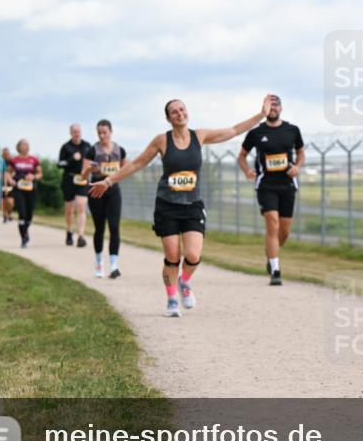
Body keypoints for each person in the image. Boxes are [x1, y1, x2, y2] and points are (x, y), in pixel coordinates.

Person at [90, 95, 271, 317]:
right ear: (168, 118)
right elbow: (137, 163)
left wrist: (261, 115)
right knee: (173, 256)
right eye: (174, 112)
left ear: (187, 112)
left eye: (182, 109)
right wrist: (108, 181)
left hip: (192, 204)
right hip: (167, 205)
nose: (180, 113)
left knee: (193, 255)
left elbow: (233, 130)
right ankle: (172, 298)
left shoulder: (200, 136)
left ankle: (184, 282)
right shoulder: (161, 141)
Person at [238, 94, 305, 286]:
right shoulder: (256, 133)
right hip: (266, 185)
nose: (273, 108)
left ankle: (271, 254)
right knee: (272, 224)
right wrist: (247, 171)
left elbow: (301, 152)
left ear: (281, 108)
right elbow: (241, 156)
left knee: (284, 230)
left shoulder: (292, 130)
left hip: (287, 185)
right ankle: (275, 270)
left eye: (276, 105)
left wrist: (297, 167)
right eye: (269, 105)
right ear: (264, 109)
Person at [81, 120, 127, 278]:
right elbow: (82, 176)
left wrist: (114, 175)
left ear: (111, 131)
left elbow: (124, 171)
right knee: (99, 228)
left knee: (114, 226)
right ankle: (99, 262)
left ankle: (114, 265)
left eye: (104, 132)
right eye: (99, 133)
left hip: (113, 190)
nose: (102, 136)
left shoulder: (120, 150)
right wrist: (89, 169)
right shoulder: (92, 151)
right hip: (96, 191)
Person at [58, 124, 92, 247]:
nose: (77, 133)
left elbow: (93, 161)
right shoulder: (66, 147)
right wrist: (72, 158)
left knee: (81, 206)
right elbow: (60, 163)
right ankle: (69, 231)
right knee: (69, 210)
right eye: (74, 132)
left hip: (82, 179)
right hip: (69, 179)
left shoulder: (87, 146)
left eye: (79, 131)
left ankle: (81, 236)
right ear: (71, 133)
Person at [6, 139, 42, 248]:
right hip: (18, 188)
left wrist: (34, 176)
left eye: (27, 144)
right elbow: (8, 172)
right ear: (19, 147)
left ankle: (25, 230)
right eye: (23, 144)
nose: (25, 146)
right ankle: (24, 237)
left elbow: (40, 173)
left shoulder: (34, 160)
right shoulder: (14, 160)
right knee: (22, 213)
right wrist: (10, 180)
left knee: (29, 215)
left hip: (31, 188)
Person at [0, 146, 15, 223]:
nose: (6, 155)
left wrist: (10, 178)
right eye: (4, 154)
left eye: (7, 154)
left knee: (10, 201)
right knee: (3, 200)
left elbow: (14, 171)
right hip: (1, 182)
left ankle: (10, 213)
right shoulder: (0, 161)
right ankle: (4, 216)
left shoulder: (12, 161)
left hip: (10, 182)